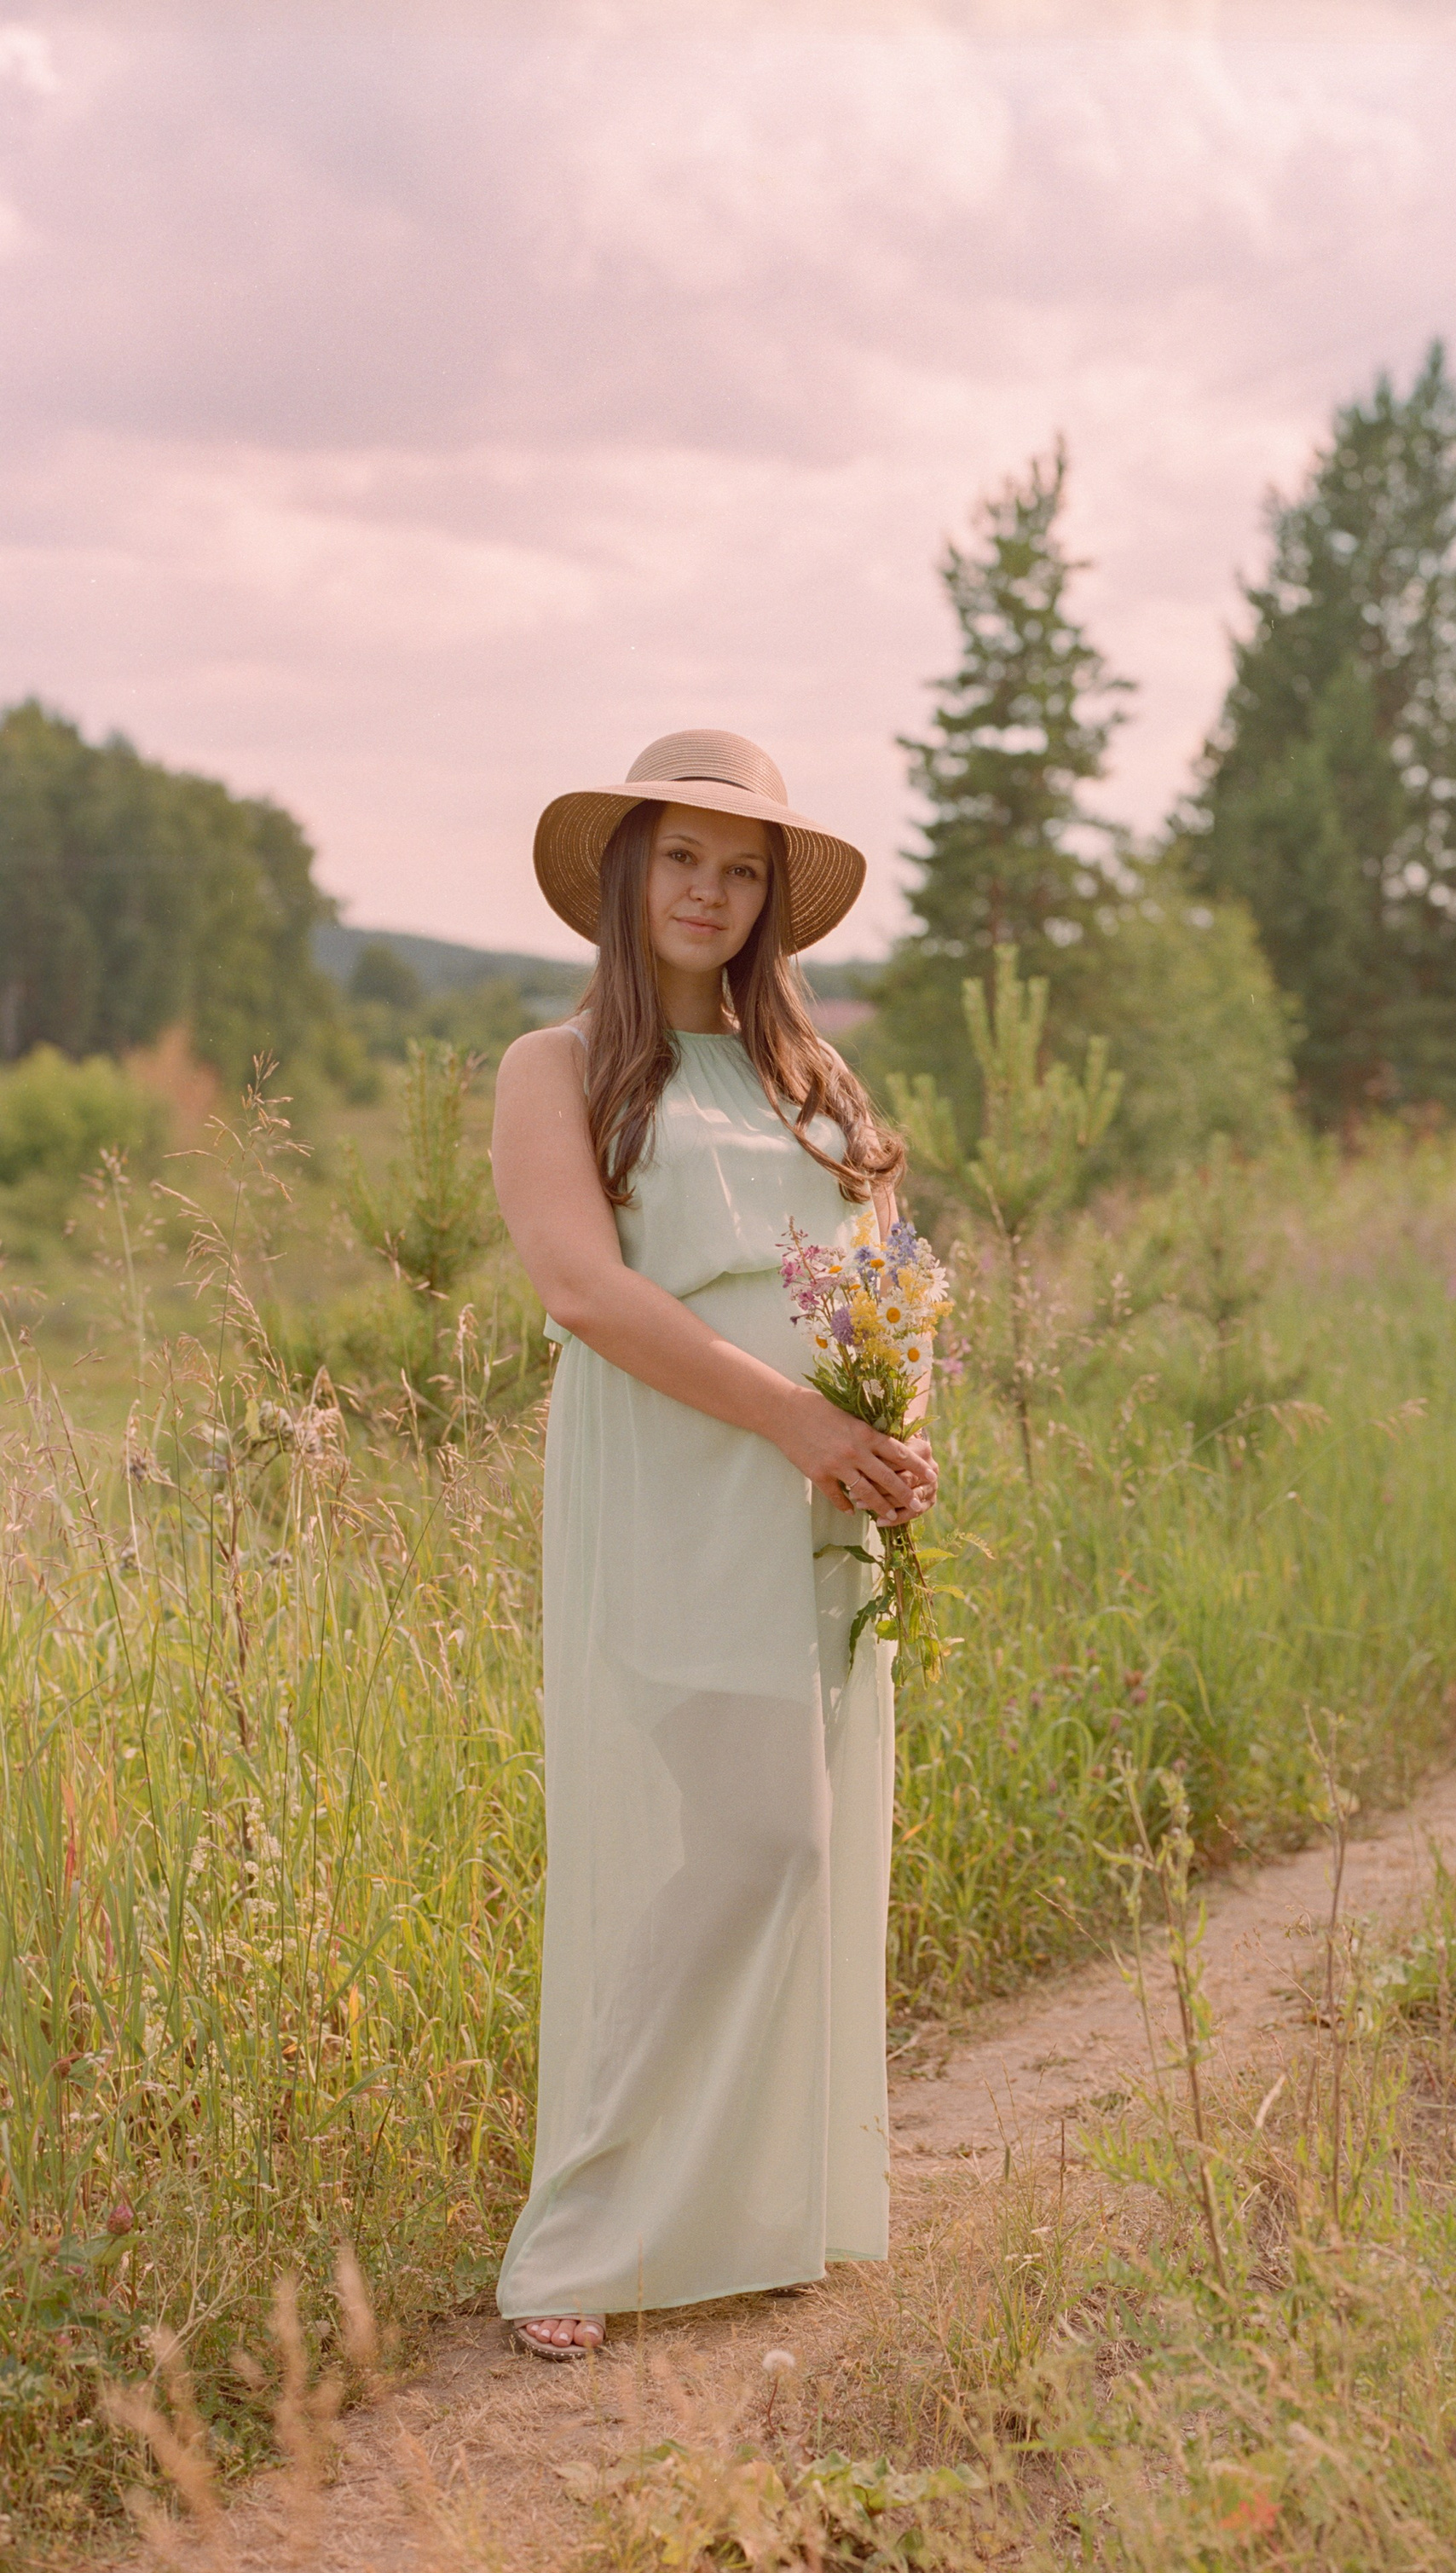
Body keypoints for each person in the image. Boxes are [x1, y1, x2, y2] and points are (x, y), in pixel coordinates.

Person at [488, 729, 935, 2360]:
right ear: (627, 873)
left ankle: (739, 2209)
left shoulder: (812, 1081)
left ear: (772, 905)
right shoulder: (557, 1066)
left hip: (812, 1508)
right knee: (763, 1838)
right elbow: (585, 1291)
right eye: (683, 857)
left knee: (802, 1846)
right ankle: (581, 2230)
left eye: (741, 870)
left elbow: (886, 1270)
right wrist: (794, 1419)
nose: (710, 891)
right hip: (680, 1480)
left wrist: (886, 1422)